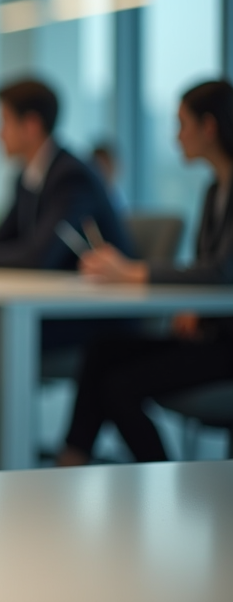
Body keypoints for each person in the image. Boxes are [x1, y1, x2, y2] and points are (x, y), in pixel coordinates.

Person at [0, 78, 132, 473]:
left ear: (31, 125)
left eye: (3, 121)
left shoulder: (71, 175)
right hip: (51, 309)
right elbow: (1, 241)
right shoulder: (29, 176)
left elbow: (39, 256)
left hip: (96, 318)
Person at [59, 79, 233, 465]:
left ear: (209, 126)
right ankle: (70, 460)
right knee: (103, 349)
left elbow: (222, 273)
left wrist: (132, 272)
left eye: (182, 124)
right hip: (211, 335)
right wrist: (196, 308)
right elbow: (208, 268)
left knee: (119, 386)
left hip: (227, 346)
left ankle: (161, 476)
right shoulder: (214, 190)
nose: (176, 137)